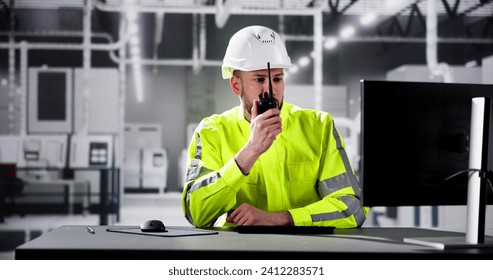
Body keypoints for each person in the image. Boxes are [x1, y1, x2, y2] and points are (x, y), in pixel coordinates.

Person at [182, 25, 368, 228]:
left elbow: (352, 207)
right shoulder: (213, 132)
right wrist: (249, 152)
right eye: (259, 79)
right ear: (236, 86)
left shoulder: (318, 127)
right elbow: (197, 213)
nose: (270, 90)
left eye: (277, 79)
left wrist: (282, 218)